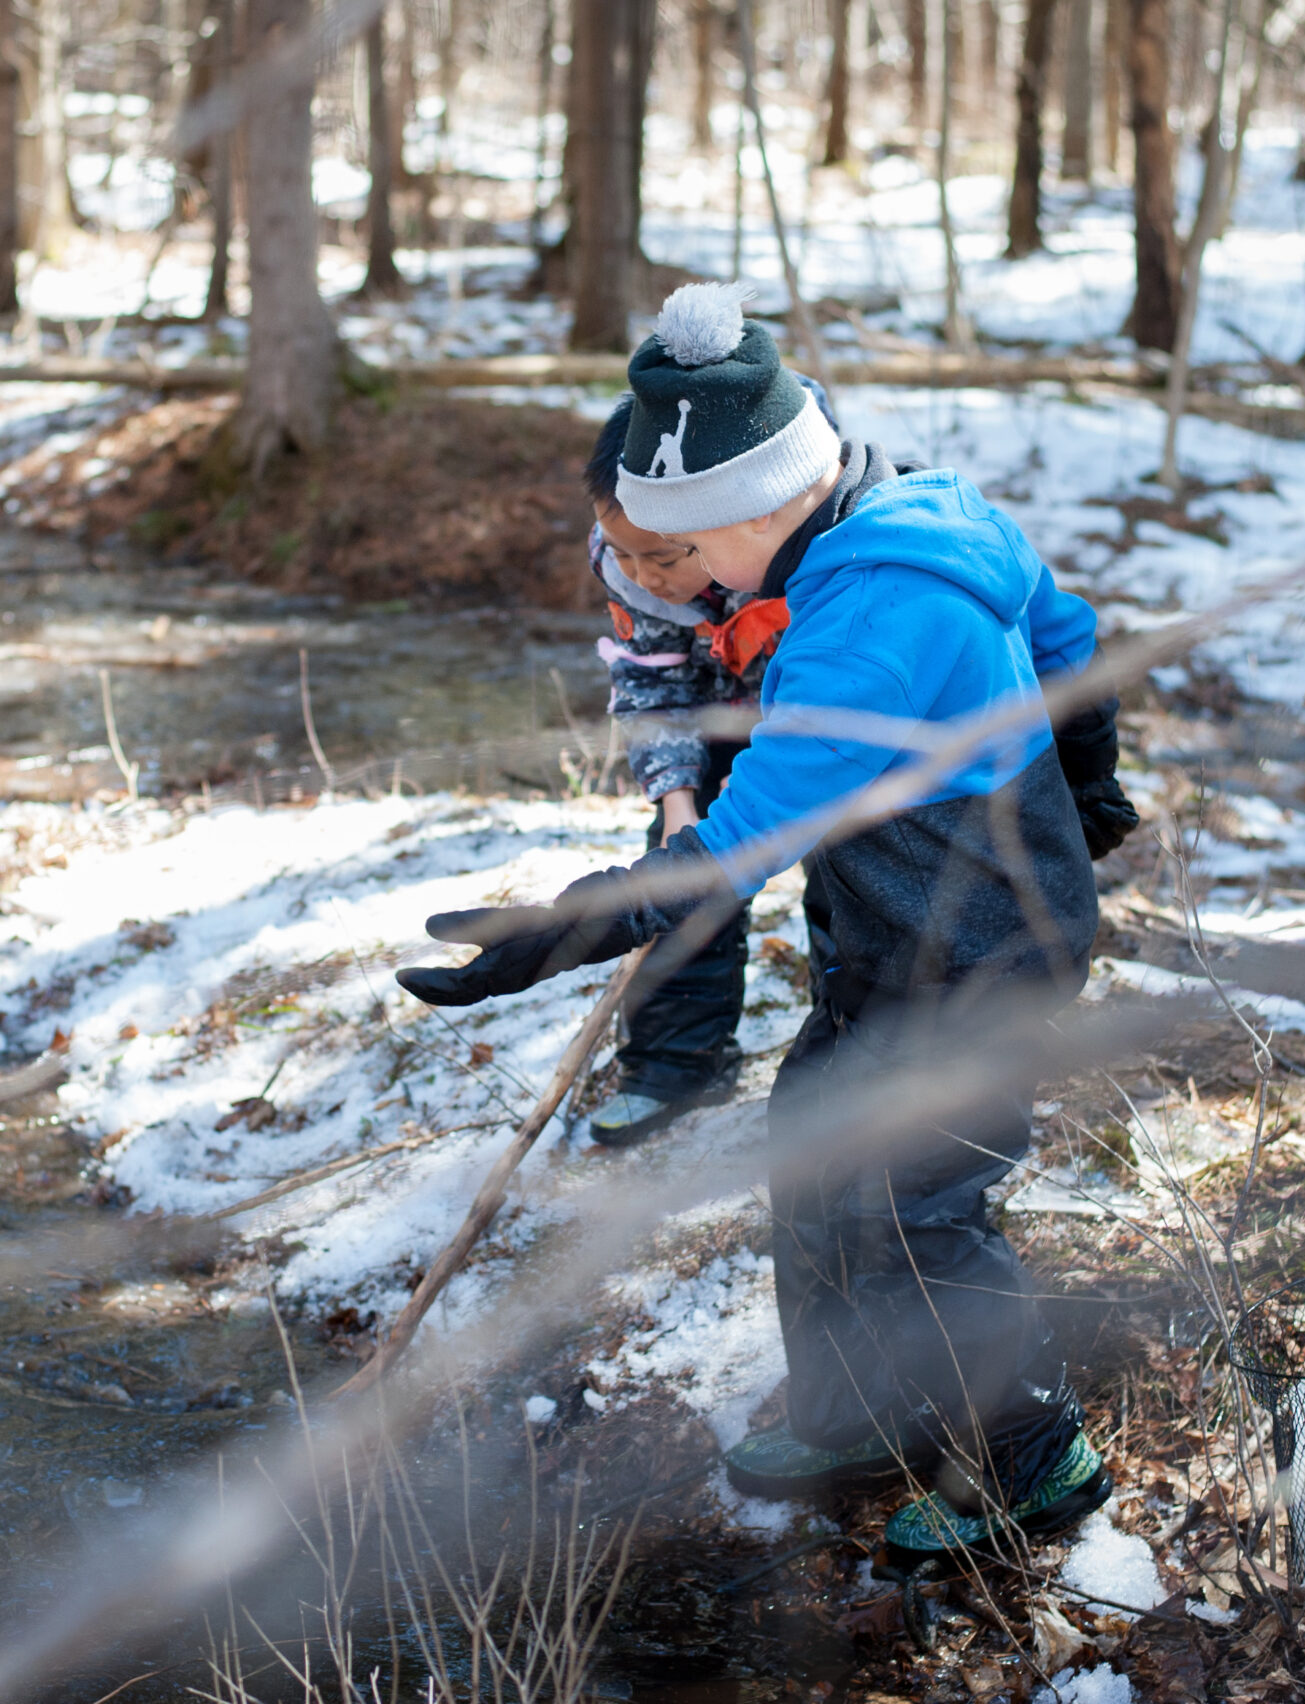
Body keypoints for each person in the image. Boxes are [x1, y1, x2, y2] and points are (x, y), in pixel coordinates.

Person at [398, 283, 1140, 1569]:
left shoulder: (867, 621)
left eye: (686, 554)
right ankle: (854, 1413)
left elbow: (743, 842)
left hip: (979, 960)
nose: (684, 588)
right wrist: (1084, 769)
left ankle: (1034, 1462)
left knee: (921, 1209)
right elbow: (1062, 624)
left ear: (743, 511)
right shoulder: (919, 503)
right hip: (893, 943)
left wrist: (562, 930)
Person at [578, 384, 834, 1148]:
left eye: (659, 556)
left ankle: (850, 1062)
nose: (641, 573)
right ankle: (676, 1062)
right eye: (621, 552)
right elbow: (652, 681)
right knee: (680, 875)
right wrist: (678, 799)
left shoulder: (809, 541)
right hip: (712, 717)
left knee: (850, 877)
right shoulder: (632, 567)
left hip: (822, 727)